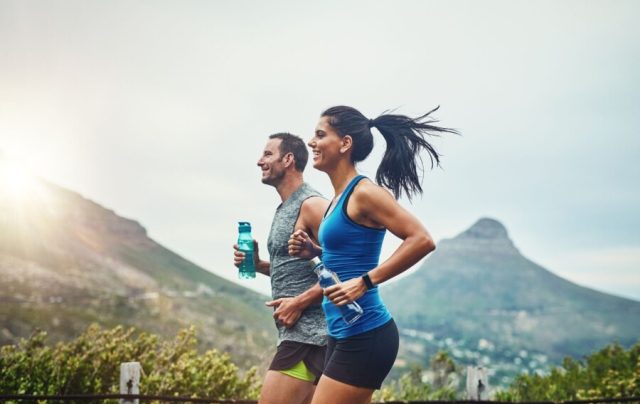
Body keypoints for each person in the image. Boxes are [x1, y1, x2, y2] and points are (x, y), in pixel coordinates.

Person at [288, 106, 457, 404]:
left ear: (345, 144)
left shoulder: (364, 192)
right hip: (341, 331)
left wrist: (365, 282)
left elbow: (421, 239)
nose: (311, 142)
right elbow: (346, 253)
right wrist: (314, 251)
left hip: (366, 333)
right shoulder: (337, 200)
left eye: (320, 134)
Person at [233, 133, 329, 404]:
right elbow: (300, 266)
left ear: (288, 159)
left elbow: (344, 270)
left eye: (267, 154)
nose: (259, 161)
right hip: (302, 336)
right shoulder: (285, 207)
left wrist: (299, 303)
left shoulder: (312, 205)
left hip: (310, 337)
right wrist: (261, 265)